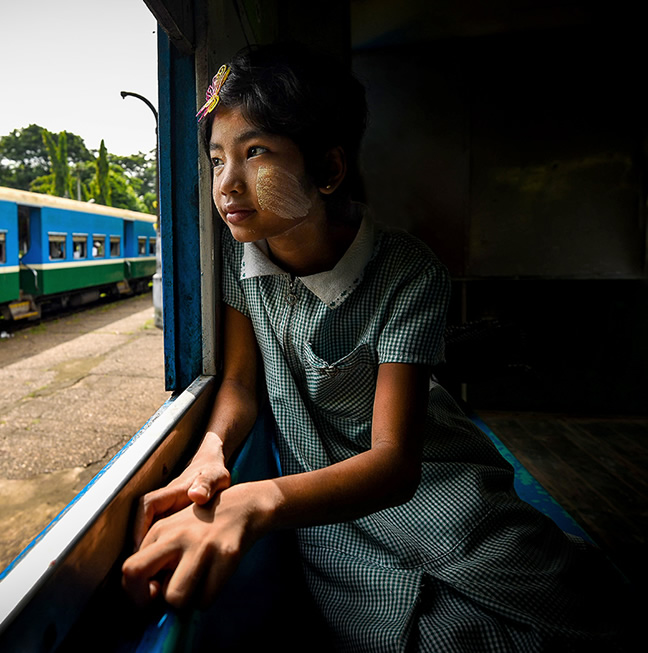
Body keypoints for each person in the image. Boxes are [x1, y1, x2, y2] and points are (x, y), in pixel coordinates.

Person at [121, 43, 624, 651]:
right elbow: (237, 385)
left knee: (574, 608)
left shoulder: (407, 272)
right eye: (216, 158)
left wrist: (254, 503)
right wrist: (211, 449)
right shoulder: (236, 262)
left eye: (255, 153)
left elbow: (396, 462)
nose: (226, 183)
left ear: (328, 171)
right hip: (328, 513)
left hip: (440, 490)